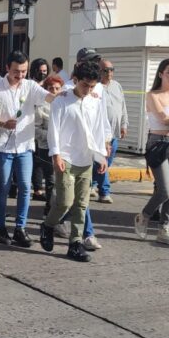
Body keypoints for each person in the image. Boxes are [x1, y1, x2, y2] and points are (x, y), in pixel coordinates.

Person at [38, 60, 111, 262]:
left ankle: (75, 243)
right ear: (75, 80)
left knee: (81, 204)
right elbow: (54, 128)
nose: (88, 89)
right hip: (67, 157)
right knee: (65, 202)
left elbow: (100, 127)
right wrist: (56, 154)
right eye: (85, 85)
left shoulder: (95, 101)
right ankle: (48, 225)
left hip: (86, 157)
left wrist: (101, 154)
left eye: (92, 86)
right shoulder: (61, 100)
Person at [0, 51, 49, 247]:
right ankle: (0, 227)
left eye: (23, 71)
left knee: (25, 187)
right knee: (4, 187)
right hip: (2, 146)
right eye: (16, 71)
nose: (20, 75)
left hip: (24, 145)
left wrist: (69, 95)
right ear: (7, 68)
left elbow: (49, 98)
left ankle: (20, 229)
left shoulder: (30, 86)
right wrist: (1, 123)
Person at [134, 59, 169, 247]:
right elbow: (163, 119)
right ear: (160, 74)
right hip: (158, 142)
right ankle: (144, 216)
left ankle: (164, 230)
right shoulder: (153, 95)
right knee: (165, 190)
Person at [93, 58, 128, 203]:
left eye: (111, 70)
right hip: (100, 134)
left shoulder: (117, 86)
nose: (109, 73)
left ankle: (92, 184)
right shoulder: (95, 87)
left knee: (107, 162)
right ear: (99, 71)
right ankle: (104, 191)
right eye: (105, 70)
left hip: (114, 133)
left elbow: (123, 106)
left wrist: (124, 124)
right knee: (102, 161)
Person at [33, 75, 62, 203]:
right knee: (51, 179)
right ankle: (49, 208)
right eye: (51, 88)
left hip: (63, 147)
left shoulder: (64, 104)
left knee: (62, 180)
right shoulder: (41, 106)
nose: (54, 91)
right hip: (46, 147)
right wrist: (52, 135)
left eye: (57, 88)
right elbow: (35, 130)